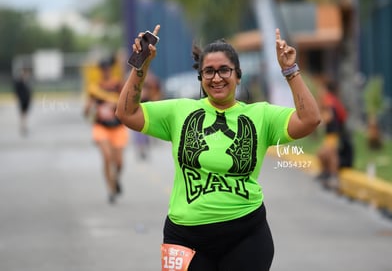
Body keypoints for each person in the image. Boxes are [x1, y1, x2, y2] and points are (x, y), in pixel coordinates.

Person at [116, 24, 321, 270]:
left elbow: (310, 119)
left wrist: (290, 70)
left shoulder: (261, 115)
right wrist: (141, 65)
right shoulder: (179, 111)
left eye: (224, 70)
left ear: (238, 74)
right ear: (200, 77)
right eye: (209, 72)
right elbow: (127, 113)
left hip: (245, 235)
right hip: (184, 236)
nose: (216, 78)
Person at [84, 59, 129, 204]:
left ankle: (115, 179)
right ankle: (111, 190)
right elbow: (87, 111)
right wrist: (90, 109)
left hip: (117, 127)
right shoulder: (95, 88)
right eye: (103, 69)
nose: (106, 71)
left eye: (107, 69)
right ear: (100, 71)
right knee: (107, 157)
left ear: (111, 69)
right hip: (101, 127)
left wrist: (113, 104)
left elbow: (126, 102)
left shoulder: (118, 85)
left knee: (119, 162)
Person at [316, 80, 353, 190]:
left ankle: (333, 177)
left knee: (330, 154)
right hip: (332, 135)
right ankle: (326, 174)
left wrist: (319, 121)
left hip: (336, 135)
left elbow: (328, 117)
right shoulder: (332, 100)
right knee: (322, 154)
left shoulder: (329, 100)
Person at [132, 70, 162, 159]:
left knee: (146, 127)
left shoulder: (151, 80)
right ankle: (141, 148)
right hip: (137, 106)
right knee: (138, 130)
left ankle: (145, 146)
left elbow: (157, 91)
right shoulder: (135, 78)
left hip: (147, 106)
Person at [13, 68, 32, 136]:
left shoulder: (27, 81)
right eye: (26, 74)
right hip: (22, 100)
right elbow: (16, 91)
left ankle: (24, 126)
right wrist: (19, 98)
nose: (27, 75)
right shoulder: (19, 82)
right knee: (22, 114)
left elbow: (29, 91)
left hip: (27, 100)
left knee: (25, 114)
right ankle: (23, 127)